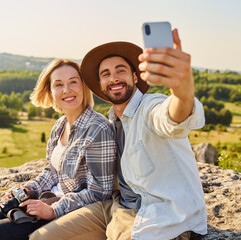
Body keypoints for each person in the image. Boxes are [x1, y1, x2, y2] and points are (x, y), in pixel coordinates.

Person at [29, 29, 207, 240]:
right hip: (115, 205)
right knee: (40, 238)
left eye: (120, 71)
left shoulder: (150, 108)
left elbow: (173, 117)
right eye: (105, 74)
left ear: (134, 76)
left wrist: (181, 87)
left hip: (161, 217)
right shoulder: (112, 121)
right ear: (100, 85)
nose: (113, 78)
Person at [0, 59, 117, 240]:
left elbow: (99, 192)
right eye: (59, 85)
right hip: (47, 199)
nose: (67, 90)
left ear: (83, 86)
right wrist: (28, 189)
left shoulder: (98, 129)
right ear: (51, 91)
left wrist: (52, 210)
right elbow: (51, 172)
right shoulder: (60, 125)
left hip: (70, 208)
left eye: (73, 81)